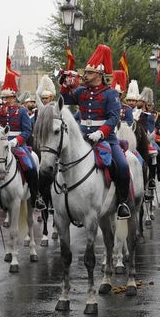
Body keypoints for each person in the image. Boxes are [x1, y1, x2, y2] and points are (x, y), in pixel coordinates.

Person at [69, 44, 132, 219]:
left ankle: (122, 202)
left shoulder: (110, 94)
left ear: (98, 74)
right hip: (82, 137)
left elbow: (113, 118)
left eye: (88, 73)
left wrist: (101, 133)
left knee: (123, 166)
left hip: (106, 138)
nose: (85, 75)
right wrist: (65, 84)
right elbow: (65, 98)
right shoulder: (82, 91)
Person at [0, 70, 42, 209]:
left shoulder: (21, 111)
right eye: (3, 98)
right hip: (0, 145)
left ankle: (35, 196)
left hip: (17, 144)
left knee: (30, 164)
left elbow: (27, 130)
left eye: (8, 98)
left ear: (13, 97)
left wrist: (16, 141)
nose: (5, 100)